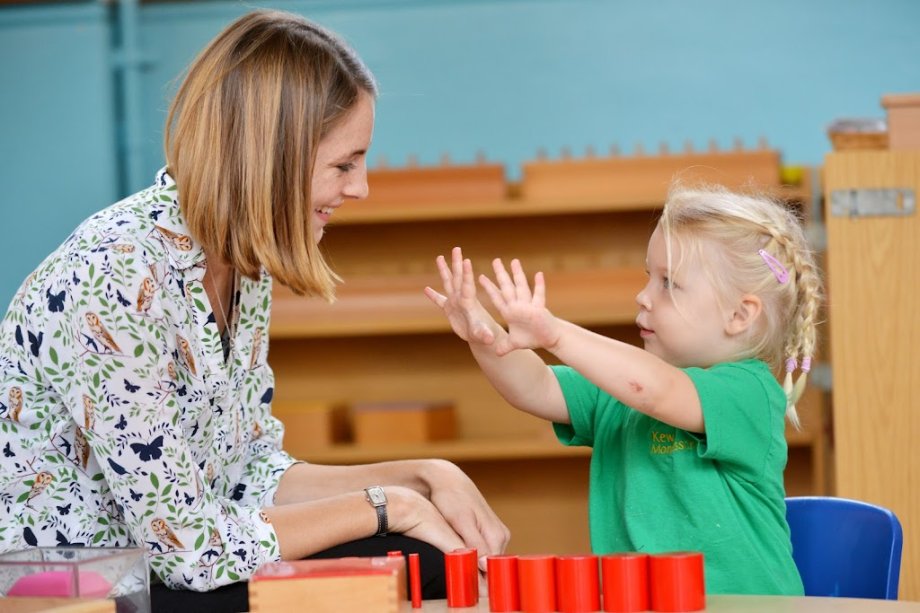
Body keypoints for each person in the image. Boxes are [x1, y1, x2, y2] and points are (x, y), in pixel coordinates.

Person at [0, 9, 508, 610]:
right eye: (344, 164)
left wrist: (422, 475)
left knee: (420, 556)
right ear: (271, 157)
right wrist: (387, 503)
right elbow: (188, 550)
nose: (361, 188)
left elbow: (249, 474)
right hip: (74, 586)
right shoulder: (115, 273)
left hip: (165, 565)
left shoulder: (242, 264)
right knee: (386, 561)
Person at [426, 184, 823, 594]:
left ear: (739, 314)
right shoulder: (621, 388)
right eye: (649, 277)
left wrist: (555, 333)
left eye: (668, 283)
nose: (643, 296)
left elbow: (658, 391)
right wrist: (484, 335)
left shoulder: (749, 392)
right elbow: (535, 386)